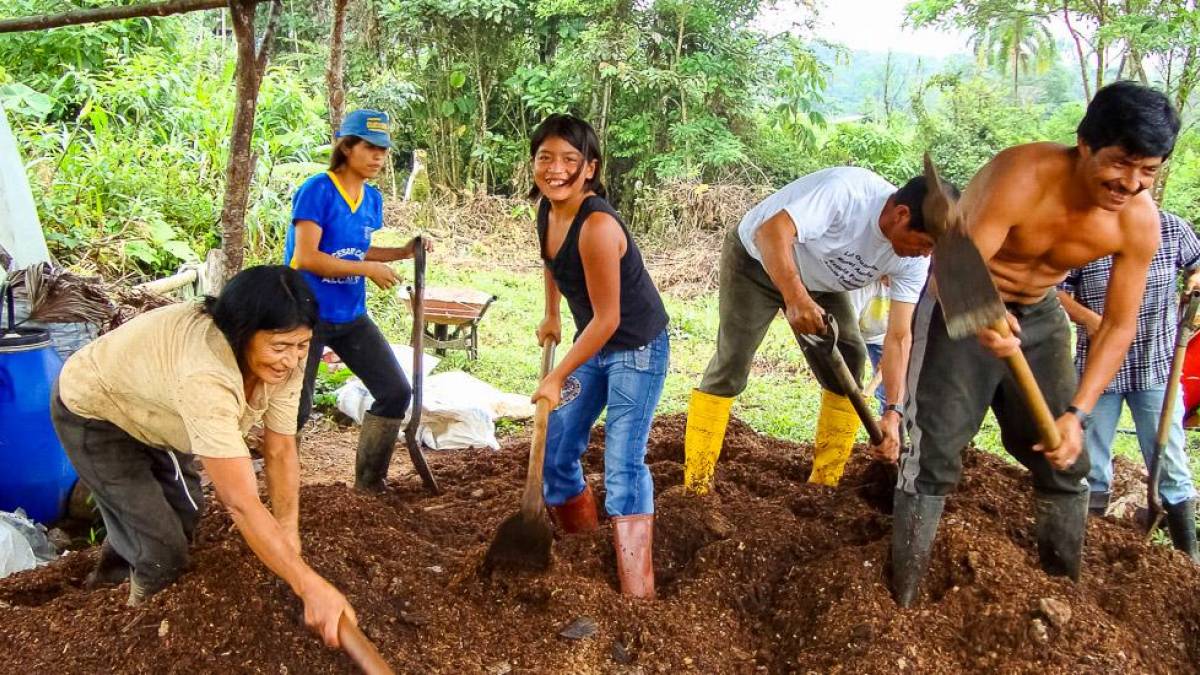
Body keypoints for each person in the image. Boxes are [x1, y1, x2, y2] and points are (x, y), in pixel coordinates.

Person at [892, 81, 1181, 606]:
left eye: (1148, 171)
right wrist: (984, 315)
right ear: (1085, 144)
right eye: (1121, 163)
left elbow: (1118, 326)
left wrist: (1077, 413)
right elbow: (954, 272)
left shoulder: (1139, 222)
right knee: (933, 451)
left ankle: (1062, 591)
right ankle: (902, 597)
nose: (1131, 183)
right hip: (964, 300)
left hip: (1042, 314)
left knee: (1065, 459)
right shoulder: (1020, 176)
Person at [50, 266, 357, 648]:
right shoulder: (206, 374)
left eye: (302, 345)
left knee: (186, 514)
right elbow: (240, 502)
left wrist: (287, 530)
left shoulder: (285, 361)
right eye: (280, 347)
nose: (292, 361)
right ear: (241, 333)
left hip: (157, 413)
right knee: (162, 553)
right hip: (97, 411)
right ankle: (134, 637)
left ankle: (116, 569)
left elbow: (280, 449)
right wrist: (309, 586)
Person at [683, 167, 954, 493]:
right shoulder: (847, 194)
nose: (926, 254)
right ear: (901, 215)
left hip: (820, 283)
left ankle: (824, 485)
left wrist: (893, 412)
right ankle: (696, 485)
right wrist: (795, 297)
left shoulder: (914, 261)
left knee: (850, 361)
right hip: (756, 261)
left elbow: (898, 337)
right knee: (732, 362)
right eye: (925, 244)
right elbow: (771, 232)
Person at [530, 114, 670, 599]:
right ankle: (586, 548)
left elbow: (608, 319)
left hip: (636, 347)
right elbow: (552, 261)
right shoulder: (548, 211)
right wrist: (552, 313)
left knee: (622, 467)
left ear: (589, 168)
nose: (555, 169)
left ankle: (637, 591)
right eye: (545, 157)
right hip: (593, 343)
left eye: (569, 159)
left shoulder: (598, 226)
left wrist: (557, 375)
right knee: (556, 451)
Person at [285, 108, 430, 493]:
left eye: (383, 150)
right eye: (370, 147)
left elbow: (355, 249)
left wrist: (402, 251)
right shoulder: (318, 190)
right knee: (294, 409)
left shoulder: (371, 199)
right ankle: (284, 492)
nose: (378, 157)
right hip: (305, 314)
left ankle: (370, 484)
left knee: (395, 391)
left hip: (350, 314)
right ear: (347, 147)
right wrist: (366, 270)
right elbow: (306, 257)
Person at [1058, 210, 1200, 561]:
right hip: (1098, 370)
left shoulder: (1171, 228)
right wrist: (1088, 319)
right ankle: (1089, 554)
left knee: (1170, 463)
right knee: (1090, 465)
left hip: (1156, 367)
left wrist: (1196, 281)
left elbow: (1197, 263)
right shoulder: (1084, 232)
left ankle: (1189, 561)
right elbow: (1054, 290)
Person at [849, 276, 890, 412]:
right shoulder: (861, 284)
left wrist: (892, 352)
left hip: (884, 338)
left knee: (888, 387)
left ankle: (887, 418)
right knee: (846, 382)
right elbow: (848, 328)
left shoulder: (911, 280)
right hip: (854, 334)